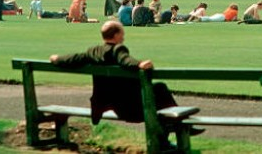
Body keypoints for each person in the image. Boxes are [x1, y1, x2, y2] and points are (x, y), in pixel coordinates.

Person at [49, 21, 191, 150]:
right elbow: (124, 60)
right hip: (132, 108)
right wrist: (139, 64)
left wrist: (57, 59)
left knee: (160, 92)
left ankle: (178, 127)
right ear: (116, 35)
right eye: (122, 34)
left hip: (110, 105)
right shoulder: (118, 49)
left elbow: (75, 59)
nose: (123, 37)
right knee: (160, 89)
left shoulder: (94, 51)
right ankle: (179, 127)